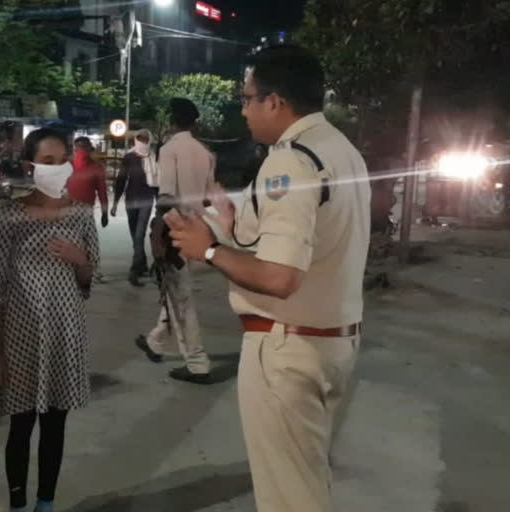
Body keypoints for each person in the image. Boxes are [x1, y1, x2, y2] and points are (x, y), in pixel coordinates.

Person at [165, 45, 370, 512]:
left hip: (287, 349)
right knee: (306, 483)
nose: (243, 108)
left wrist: (210, 250)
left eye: (247, 97)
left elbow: (279, 277)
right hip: (333, 341)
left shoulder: (289, 161)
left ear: (275, 101)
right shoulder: (341, 150)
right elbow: (317, 242)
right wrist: (236, 224)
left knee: (289, 499)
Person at [0, 128, 99, 512]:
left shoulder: (82, 215)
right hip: (19, 336)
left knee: (54, 427)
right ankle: (17, 503)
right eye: (47, 162)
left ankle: (45, 503)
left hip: (65, 335)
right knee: (20, 427)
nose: (57, 168)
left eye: (62, 160)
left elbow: (88, 279)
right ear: (30, 166)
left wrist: (78, 259)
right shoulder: (10, 216)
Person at [134, 98, 214, 384]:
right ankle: (155, 341)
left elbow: (166, 196)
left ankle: (197, 363)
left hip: (175, 229)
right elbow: (207, 196)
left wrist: (158, 234)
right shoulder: (205, 153)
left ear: (172, 121)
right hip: (200, 229)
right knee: (175, 291)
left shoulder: (169, 150)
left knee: (181, 299)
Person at [111, 129, 158, 286]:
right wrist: (115, 203)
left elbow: (157, 183)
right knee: (134, 237)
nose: (142, 142)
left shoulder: (153, 158)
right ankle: (142, 263)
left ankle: (134, 270)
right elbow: (121, 180)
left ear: (149, 141)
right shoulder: (129, 157)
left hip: (146, 200)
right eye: (140, 139)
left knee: (139, 235)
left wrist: (160, 205)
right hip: (131, 201)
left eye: (145, 139)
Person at [68, 136, 109, 229]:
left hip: (68, 210)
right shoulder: (97, 166)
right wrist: (105, 213)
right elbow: (102, 193)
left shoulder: (67, 164)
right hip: (85, 210)